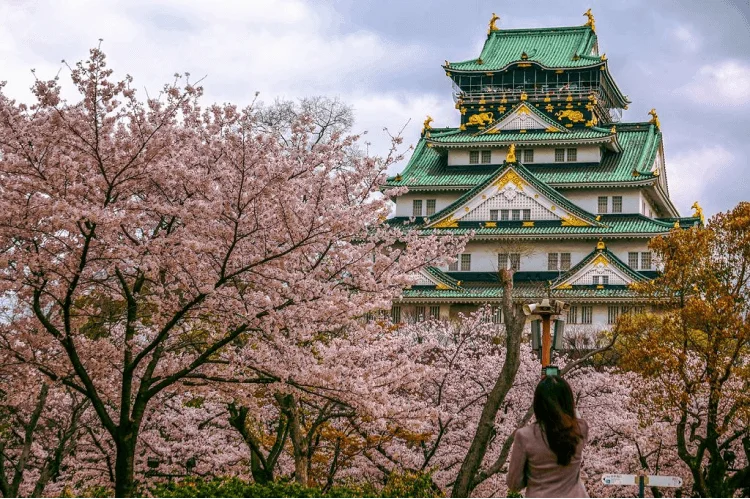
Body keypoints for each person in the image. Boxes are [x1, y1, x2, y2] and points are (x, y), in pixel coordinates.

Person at [506, 375, 589, 498]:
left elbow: (514, 484)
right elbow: (573, 419)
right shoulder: (580, 429)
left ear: (538, 404)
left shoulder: (524, 436)